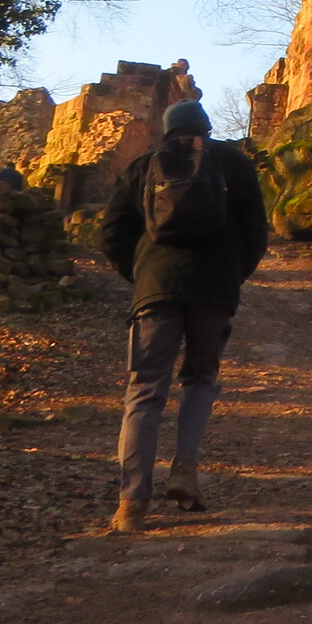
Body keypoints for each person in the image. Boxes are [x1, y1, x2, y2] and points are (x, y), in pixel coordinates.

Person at [99, 99, 269, 532]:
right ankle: (184, 473)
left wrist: (140, 276)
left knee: (145, 390)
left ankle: (131, 503)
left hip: (156, 290)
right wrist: (232, 277)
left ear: (167, 129)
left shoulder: (143, 167)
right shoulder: (233, 162)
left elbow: (113, 234)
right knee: (199, 381)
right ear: (207, 127)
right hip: (214, 292)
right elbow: (256, 232)